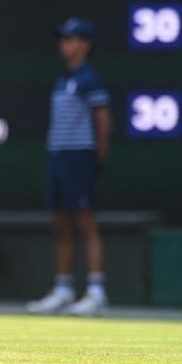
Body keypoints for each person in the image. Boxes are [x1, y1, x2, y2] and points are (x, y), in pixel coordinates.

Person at [27, 18, 111, 318]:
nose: (65, 44)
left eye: (71, 39)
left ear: (85, 45)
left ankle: (96, 291)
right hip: (59, 157)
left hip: (80, 158)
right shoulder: (62, 80)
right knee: (60, 224)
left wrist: (95, 159)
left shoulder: (91, 80)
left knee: (86, 223)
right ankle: (63, 290)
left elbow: (103, 123)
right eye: (63, 39)